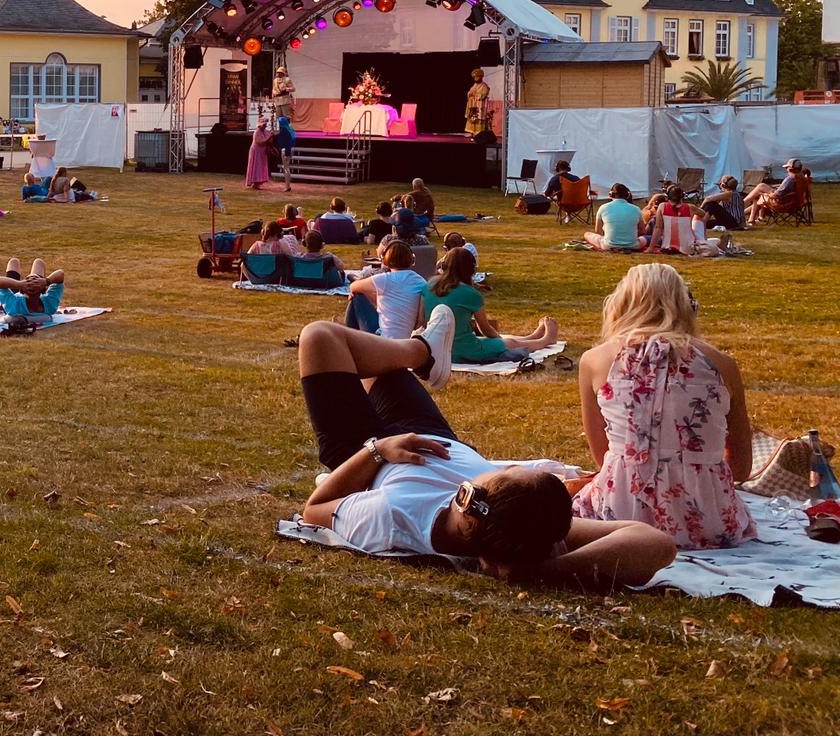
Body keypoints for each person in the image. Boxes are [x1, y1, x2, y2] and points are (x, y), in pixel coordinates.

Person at [293, 319, 677, 589]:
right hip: (435, 437)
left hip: (367, 449)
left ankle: (423, 350)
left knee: (320, 337)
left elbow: (315, 510)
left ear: (465, 497)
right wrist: (540, 570)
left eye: (503, 471)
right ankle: (418, 354)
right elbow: (654, 543)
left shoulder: (391, 514)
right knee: (383, 366)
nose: (506, 465)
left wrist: (376, 452)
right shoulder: (524, 526)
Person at [573, 264, 756, 549]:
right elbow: (742, 468)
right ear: (686, 306)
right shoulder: (721, 364)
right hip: (711, 520)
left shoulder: (595, 360)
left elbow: (601, 456)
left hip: (622, 514)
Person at [423, 248, 558, 364]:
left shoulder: (429, 285)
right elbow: (485, 329)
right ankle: (546, 340)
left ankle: (532, 337)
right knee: (509, 343)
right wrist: (499, 340)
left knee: (506, 341)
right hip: (462, 351)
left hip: (436, 347)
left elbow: (423, 320)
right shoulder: (470, 293)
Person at [345, 239, 426, 338]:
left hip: (384, 343)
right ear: (412, 259)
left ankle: (347, 336)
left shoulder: (384, 280)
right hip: (409, 342)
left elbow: (353, 286)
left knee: (358, 296)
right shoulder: (421, 282)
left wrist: (360, 292)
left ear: (385, 260)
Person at [0, 258, 65, 324]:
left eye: (36, 282)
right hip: (18, 297)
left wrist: (45, 281)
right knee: (15, 261)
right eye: (28, 281)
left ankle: (35, 279)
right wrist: (46, 281)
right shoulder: (50, 304)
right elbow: (60, 274)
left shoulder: (14, 307)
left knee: (34, 261)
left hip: (17, 297)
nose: (32, 283)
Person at [585, 183, 645, 252]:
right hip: (633, 245)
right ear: (627, 195)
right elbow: (642, 231)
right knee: (644, 239)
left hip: (608, 245)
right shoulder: (636, 209)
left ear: (611, 194)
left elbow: (598, 231)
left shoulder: (603, 207)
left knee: (587, 234)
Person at [745, 158, 800, 224]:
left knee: (760, 191)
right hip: (791, 200)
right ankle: (757, 217)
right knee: (761, 190)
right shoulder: (799, 177)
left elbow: (777, 195)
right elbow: (785, 189)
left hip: (781, 202)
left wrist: (769, 194)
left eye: (787, 168)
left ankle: (744, 206)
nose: (786, 170)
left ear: (791, 168)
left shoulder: (790, 178)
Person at [245, 116, 272, 190]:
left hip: (262, 152)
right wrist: (269, 138)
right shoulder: (257, 132)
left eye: (265, 125)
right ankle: (255, 182)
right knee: (256, 166)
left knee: (261, 167)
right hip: (256, 151)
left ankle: (259, 182)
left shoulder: (265, 131)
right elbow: (260, 142)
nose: (265, 126)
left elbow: (268, 140)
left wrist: (270, 137)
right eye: (264, 125)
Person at [464, 68, 491, 139]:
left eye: (477, 77)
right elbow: (469, 92)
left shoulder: (484, 85)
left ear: (480, 77)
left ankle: (478, 133)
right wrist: (470, 94)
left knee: (478, 118)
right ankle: (471, 132)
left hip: (479, 106)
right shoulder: (474, 85)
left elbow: (484, 94)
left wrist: (476, 94)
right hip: (473, 105)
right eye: (474, 77)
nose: (475, 78)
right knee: (472, 118)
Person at [274, 113, 296, 191]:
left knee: (286, 168)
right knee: (286, 167)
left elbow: (282, 141)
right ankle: (287, 185)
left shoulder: (284, 130)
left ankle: (287, 186)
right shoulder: (291, 128)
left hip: (286, 149)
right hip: (290, 149)